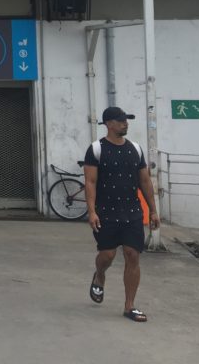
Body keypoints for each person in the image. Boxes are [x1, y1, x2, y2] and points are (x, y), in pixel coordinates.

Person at [83, 106, 161, 322]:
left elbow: (144, 181)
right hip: (106, 213)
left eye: (126, 120)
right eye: (120, 120)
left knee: (132, 255)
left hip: (132, 213)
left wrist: (153, 210)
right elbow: (90, 182)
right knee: (107, 255)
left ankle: (129, 306)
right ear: (108, 124)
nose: (125, 123)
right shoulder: (96, 149)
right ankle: (100, 275)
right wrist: (91, 211)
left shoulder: (135, 149)